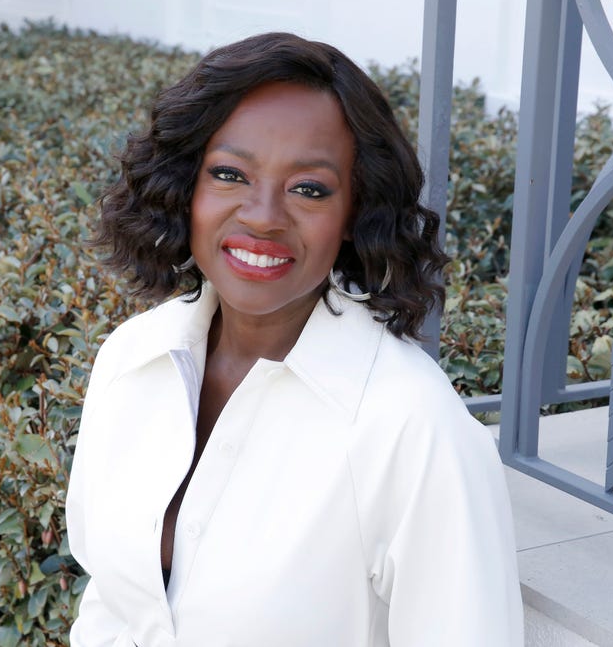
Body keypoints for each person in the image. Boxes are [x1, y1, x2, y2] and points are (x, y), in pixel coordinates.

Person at [65, 32, 523, 646]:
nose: (262, 216)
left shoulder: (409, 425)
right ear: (185, 189)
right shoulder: (132, 358)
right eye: (229, 174)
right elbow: (112, 603)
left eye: (309, 188)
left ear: (357, 212)